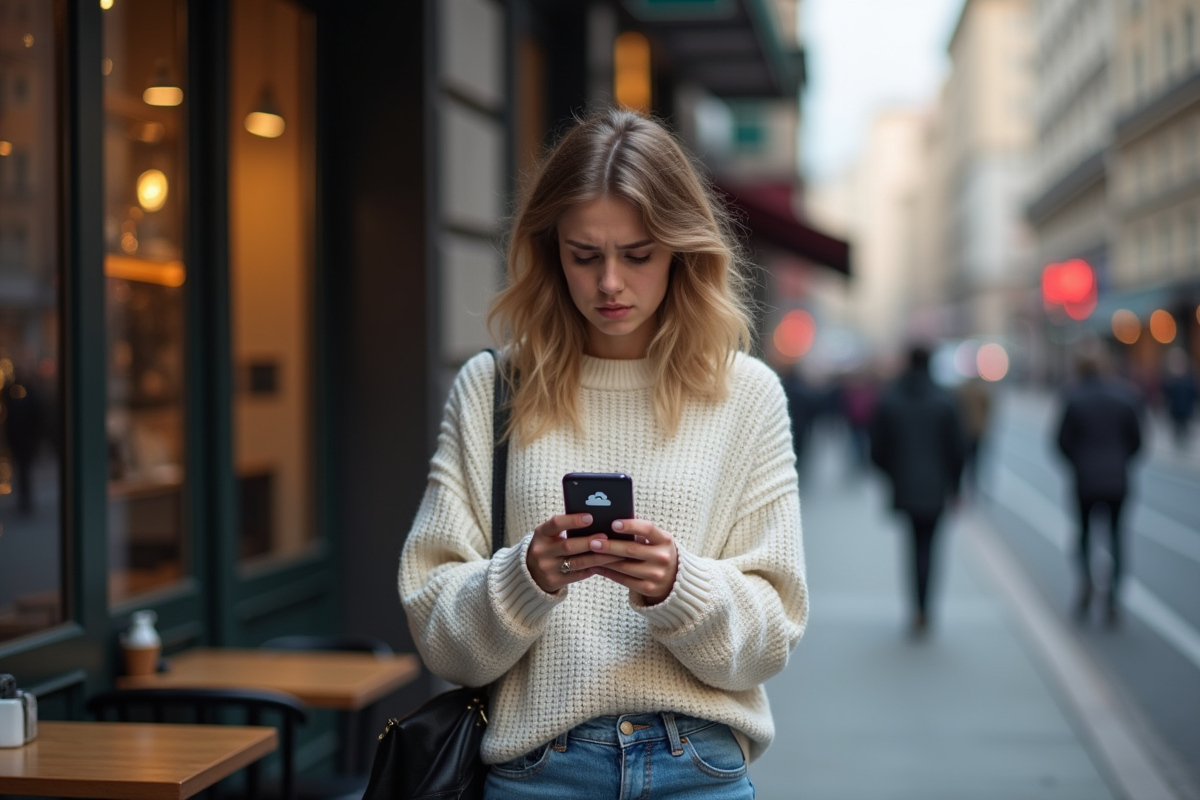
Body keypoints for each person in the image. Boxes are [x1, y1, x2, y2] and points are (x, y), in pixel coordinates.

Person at [399, 109, 808, 799]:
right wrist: (525, 576)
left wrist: (678, 585)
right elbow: (438, 632)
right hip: (538, 771)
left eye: (638, 254)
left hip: (698, 769)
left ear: (682, 250)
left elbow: (774, 634)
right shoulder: (494, 388)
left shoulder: (748, 394)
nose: (610, 282)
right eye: (584, 255)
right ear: (550, 251)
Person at [869, 346, 964, 635]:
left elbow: (877, 450)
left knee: (912, 547)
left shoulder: (891, 399)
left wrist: (894, 474)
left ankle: (916, 608)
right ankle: (925, 608)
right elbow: (958, 450)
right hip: (936, 487)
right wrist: (955, 485)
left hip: (905, 485)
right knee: (930, 547)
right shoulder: (945, 400)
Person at [1056, 353, 1142, 625]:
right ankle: (1113, 598)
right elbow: (1137, 441)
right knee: (1116, 537)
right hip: (1117, 478)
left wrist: (1078, 462)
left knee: (1083, 535)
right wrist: (1120, 461)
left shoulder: (1074, 398)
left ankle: (1086, 581)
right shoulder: (1125, 396)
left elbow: (1061, 441)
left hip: (1085, 479)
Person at [1161, 347, 1198, 450]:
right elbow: (1165, 393)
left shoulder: (1189, 375)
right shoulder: (1169, 377)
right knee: (1177, 426)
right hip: (1175, 408)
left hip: (1186, 407)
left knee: (1185, 425)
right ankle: (1179, 442)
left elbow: (1194, 392)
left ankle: (1184, 442)